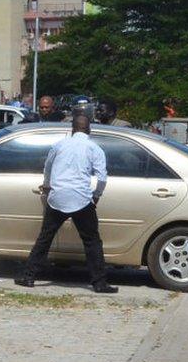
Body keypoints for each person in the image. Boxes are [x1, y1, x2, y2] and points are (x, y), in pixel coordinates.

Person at [15, 115, 118, 294]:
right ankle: (99, 283)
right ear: (89, 129)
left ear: (72, 129)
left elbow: (48, 167)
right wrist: (96, 196)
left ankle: (28, 276)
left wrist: (48, 187)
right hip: (81, 199)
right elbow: (101, 178)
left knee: (45, 238)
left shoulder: (59, 145)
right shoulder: (94, 148)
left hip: (57, 197)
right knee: (92, 241)